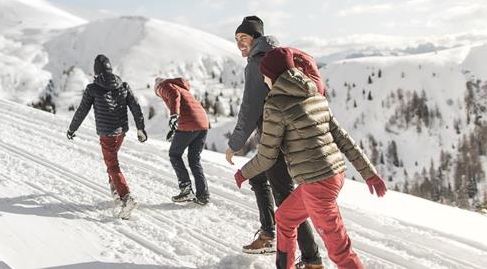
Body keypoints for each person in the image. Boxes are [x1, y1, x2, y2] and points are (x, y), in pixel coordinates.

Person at [234, 47, 388, 269]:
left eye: (265, 75)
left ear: (273, 75)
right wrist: (369, 173)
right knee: (285, 219)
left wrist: (243, 173)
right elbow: (343, 138)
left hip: (318, 183)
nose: (264, 79)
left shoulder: (276, 104)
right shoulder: (314, 93)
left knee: (340, 251)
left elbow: (267, 156)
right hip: (332, 174)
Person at [225, 16, 323, 264]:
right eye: (237, 39)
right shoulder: (279, 57)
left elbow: (250, 108)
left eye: (244, 37)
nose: (239, 43)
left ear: (256, 37)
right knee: (259, 178)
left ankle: (312, 258)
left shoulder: (258, 62)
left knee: (285, 197)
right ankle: (268, 233)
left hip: (276, 138)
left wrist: (235, 144)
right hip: (285, 134)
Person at [67, 54, 147, 217]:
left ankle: (126, 197)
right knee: (112, 161)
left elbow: (82, 110)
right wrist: (140, 128)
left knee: (112, 165)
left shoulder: (92, 88)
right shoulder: (123, 86)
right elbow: (136, 107)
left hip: (107, 134)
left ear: (96, 72)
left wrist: (72, 129)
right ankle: (117, 192)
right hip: (121, 132)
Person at [155, 77, 210, 205]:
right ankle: (203, 196)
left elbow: (174, 96)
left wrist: (174, 115)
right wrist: (174, 129)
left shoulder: (163, 85)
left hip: (189, 122)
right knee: (194, 159)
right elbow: (185, 105)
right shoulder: (181, 87)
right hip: (203, 123)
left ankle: (186, 189)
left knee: (174, 154)